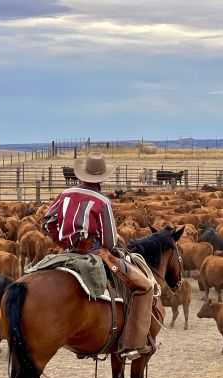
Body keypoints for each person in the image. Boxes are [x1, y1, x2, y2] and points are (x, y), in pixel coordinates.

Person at [43, 152, 153, 361]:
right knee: (145, 286)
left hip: (68, 252)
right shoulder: (101, 200)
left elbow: (47, 223)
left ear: (82, 174)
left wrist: (65, 242)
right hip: (95, 253)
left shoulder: (65, 194)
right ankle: (133, 344)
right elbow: (110, 242)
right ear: (102, 177)